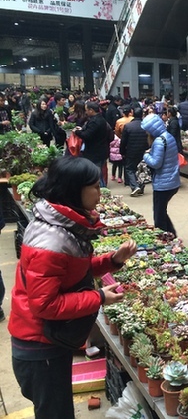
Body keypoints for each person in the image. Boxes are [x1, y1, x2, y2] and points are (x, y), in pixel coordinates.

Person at [8, 156, 137, 419]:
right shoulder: (51, 241)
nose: (100, 191)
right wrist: (99, 296)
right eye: (94, 186)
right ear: (74, 190)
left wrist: (112, 261)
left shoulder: (62, 228)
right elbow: (45, 305)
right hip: (39, 345)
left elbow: (73, 271)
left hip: (49, 341)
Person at [141, 112, 181, 236]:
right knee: (161, 211)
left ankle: (164, 238)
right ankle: (172, 235)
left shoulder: (159, 141)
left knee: (158, 215)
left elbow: (156, 163)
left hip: (163, 184)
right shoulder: (168, 136)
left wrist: (146, 155)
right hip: (172, 180)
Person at [74, 102, 111, 187]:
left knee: (96, 174)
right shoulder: (100, 119)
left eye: (86, 110)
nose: (86, 112)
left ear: (91, 110)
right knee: (99, 174)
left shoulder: (94, 121)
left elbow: (87, 135)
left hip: (95, 152)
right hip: (101, 151)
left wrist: (77, 132)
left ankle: (102, 191)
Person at [120, 107, 148, 196]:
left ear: (132, 114)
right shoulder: (146, 126)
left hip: (131, 151)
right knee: (142, 169)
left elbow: (123, 141)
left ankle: (135, 186)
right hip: (144, 151)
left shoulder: (128, 126)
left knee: (130, 169)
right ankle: (141, 186)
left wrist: (122, 152)